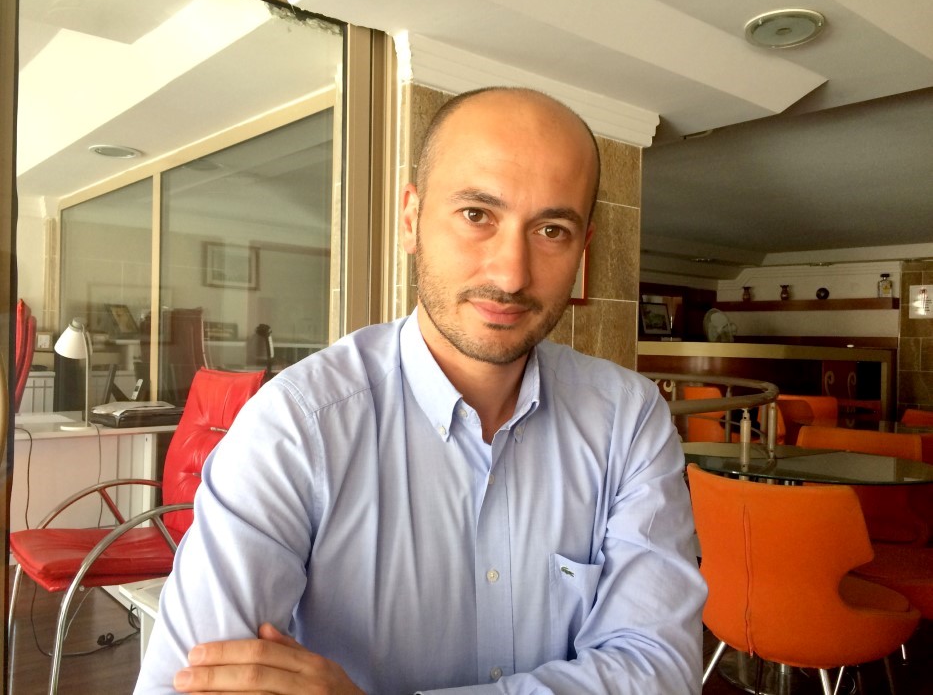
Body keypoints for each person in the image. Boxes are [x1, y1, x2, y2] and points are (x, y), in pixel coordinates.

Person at [135, 87, 706, 694]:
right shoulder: (297, 427)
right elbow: (183, 684)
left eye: (551, 229)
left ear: (581, 249)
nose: (511, 273)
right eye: (477, 214)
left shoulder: (628, 420)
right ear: (411, 220)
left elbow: (660, 672)